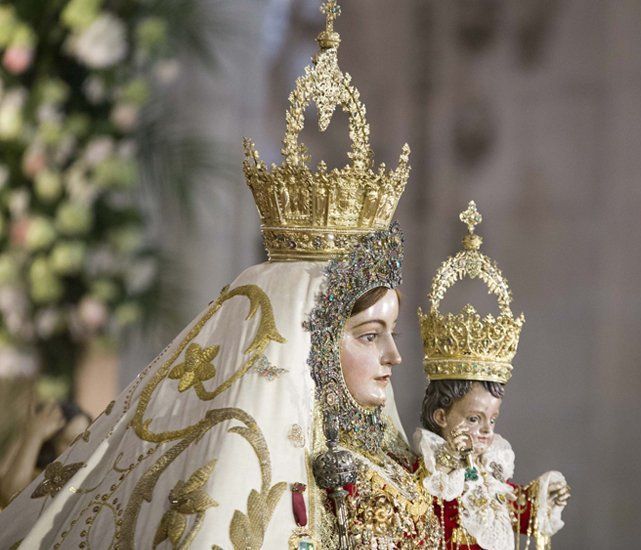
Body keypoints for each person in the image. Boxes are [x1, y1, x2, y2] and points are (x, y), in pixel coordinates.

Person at [0, 2, 436, 547]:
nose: (394, 356)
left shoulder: (400, 475)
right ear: (309, 342)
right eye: (370, 336)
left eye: (389, 334)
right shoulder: (231, 480)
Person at [414, 202, 570, 549]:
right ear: (441, 415)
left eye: (492, 420)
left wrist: (543, 499)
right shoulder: (431, 477)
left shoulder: (487, 470)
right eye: (473, 418)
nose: (486, 431)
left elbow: (508, 506)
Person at [0, 400, 91, 507]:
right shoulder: (40, 476)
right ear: (52, 444)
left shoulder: (88, 477)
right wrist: (34, 435)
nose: (79, 447)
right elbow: (11, 495)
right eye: (68, 441)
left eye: (84, 438)